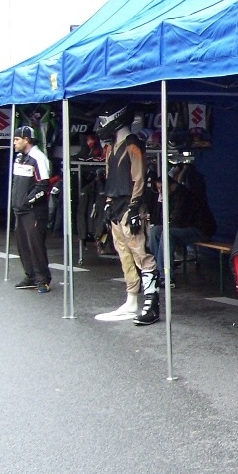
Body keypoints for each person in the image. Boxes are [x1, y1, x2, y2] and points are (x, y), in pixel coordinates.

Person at [93, 102, 160, 325]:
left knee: (141, 253)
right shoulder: (111, 147)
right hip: (116, 206)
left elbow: (139, 178)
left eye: (105, 120)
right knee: (124, 254)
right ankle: (131, 299)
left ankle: (151, 304)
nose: (102, 126)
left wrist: (134, 207)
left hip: (131, 206)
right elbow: (110, 178)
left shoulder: (133, 144)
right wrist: (108, 204)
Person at [147, 169, 213, 288]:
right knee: (155, 231)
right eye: (158, 189)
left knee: (167, 234)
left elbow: (179, 220)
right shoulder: (171, 195)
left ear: (170, 185)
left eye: (161, 188)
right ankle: (156, 269)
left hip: (200, 229)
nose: (159, 191)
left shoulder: (184, 195)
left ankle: (166, 276)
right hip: (186, 227)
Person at [11, 125, 52, 293]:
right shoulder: (19, 157)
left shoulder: (38, 158)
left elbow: (43, 184)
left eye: (17, 139)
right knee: (23, 245)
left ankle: (43, 280)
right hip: (19, 209)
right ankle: (30, 276)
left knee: (36, 246)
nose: (14, 143)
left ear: (26, 140)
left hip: (34, 211)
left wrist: (28, 201)